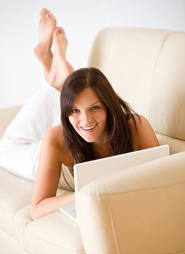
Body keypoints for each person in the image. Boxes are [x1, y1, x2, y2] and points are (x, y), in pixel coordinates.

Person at [0, 8, 159, 220]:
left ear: (109, 105)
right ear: (64, 113)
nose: (86, 121)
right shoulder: (55, 138)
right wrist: (83, 194)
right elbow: (37, 208)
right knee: (5, 147)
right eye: (74, 110)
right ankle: (54, 78)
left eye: (95, 108)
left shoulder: (136, 125)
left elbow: (161, 177)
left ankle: (55, 74)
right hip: (39, 158)